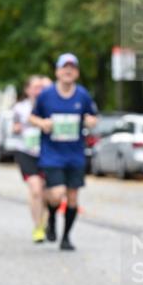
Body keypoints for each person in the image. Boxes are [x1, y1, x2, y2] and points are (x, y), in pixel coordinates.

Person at [29, 53, 98, 251]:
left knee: (73, 197)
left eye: (72, 68)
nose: (68, 71)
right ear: (57, 71)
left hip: (75, 153)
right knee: (57, 194)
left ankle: (66, 237)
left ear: (76, 73)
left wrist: (90, 121)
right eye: (64, 67)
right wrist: (43, 123)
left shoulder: (83, 95)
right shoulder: (46, 95)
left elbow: (93, 117)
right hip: (52, 153)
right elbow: (32, 117)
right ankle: (51, 217)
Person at [8, 75, 51, 242]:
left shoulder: (48, 105)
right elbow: (12, 127)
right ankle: (38, 226)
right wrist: (17, 128)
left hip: (46, 152)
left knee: (47, 192)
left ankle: (46, 219)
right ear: (27, 90)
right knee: (35, 189)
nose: (38, 90)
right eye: (35, 87)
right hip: (26, 151)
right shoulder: (20, 108)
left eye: (41, 87)